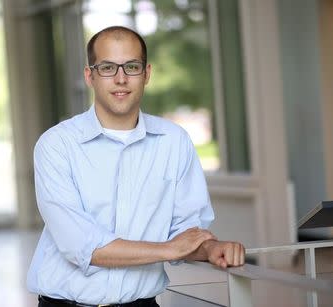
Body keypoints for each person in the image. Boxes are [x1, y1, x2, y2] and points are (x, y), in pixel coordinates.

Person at [27, 25, 245, 307]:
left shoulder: (174, 142)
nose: (120, 79)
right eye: (107, 67)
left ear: (147, 74)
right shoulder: (57, 145)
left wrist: (212, 248)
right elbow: (81, 245)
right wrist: (168, 249)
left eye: (131, 66)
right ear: (89, 75)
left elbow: (186, 232)